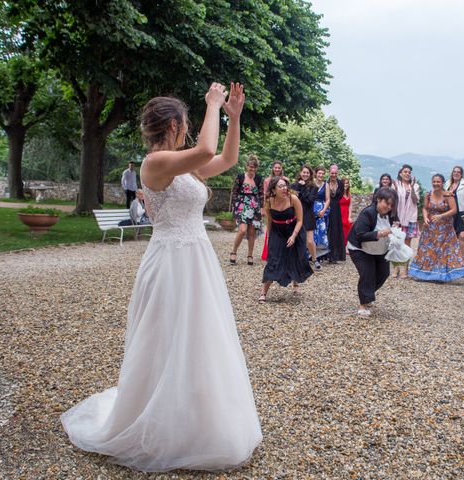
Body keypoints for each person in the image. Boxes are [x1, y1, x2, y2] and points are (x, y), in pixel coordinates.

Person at [61, 83, 262, 472]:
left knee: (199, 338)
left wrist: (233, 117)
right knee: (167, 338)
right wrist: (213, 105)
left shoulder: (180, 162)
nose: (188, 128)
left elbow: (224, 158)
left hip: (196, 260)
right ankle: (159, 421)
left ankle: (198, 420)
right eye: (185, 123)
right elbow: (205, 149)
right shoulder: (154, 163)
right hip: (170, 261)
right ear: (173, 124)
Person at [259, 176, 313, 302]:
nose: (284, 189)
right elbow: (270, 221)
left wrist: (293, 236)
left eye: (285, 186)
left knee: (294, 257)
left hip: (294, 229)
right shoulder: (269, 201)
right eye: (281, 186)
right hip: (277, 231)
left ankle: (295, 283)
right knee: (273, 260)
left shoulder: (293, 198)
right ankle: (263, 292)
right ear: (273, 189)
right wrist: (268, 238)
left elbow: (300, 220)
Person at [347, 187, 398, 317]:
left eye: (391, 205)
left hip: (379, 249)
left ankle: (367, 293)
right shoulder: (368, 213)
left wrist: (396, 229)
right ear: (379, 199)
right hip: (360, 248)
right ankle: (363, 305)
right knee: (368, 273)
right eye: (386, 203)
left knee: (383, 273)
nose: (389, 207)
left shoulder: (391, 214)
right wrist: (380, 233)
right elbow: (360, 235)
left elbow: (395, 227)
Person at [409, 174, 464, 282]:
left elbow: (454, 210)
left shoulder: (447, 195)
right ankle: (426, 273)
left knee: (443, 251)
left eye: (438, 182)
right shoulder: (428, 194)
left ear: (442, 183)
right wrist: (426, 217)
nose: (436, 184)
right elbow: (425, 208)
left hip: (445, 228)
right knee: (428, 250)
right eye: (434, 181)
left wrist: (441, 215)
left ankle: (441, 275)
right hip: (430, 228)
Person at [230, 154, 264, 265]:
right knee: (243, 229)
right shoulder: (240, 177)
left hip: (254, 206)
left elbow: (261, 194)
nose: (252, 169)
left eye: (254, 167)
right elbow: (234, 192)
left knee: (251, 231)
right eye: (250, 167)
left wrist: (262, 208)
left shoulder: (258, 179)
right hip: (241, 205)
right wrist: (233, 206)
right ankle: (234, 251)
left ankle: (250, 254)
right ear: (247, 166)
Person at [392, 164, 420, 278]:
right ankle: (396, 268)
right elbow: (393, 200)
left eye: (409, 172)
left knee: (407, 245)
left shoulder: (415, 186)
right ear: (400, 173)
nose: (407, 174)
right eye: (405, 172)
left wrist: (412, 188)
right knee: (397, 244)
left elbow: (416, 200)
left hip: (410, 218)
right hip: (398, 218)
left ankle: (405, 269)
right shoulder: (396, 185)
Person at [291, 165, 320, 270]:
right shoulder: (294, 186)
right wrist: (299, 187)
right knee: (296, 238)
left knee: (309, 241)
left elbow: (309, 200)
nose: (305, 174)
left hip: (308, 215)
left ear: (310, 174)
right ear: (300, 173)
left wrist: (302, 188)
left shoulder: (314, 187)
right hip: (295, 215)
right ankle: (296, 260)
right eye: (304, 172)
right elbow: (293, 198)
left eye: (307, 173)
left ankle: (314, 259)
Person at [261, 161, 288, 261]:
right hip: (271, 206)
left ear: (281, 169)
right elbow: (265, 195)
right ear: (272, 168)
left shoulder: (285, 180)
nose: (277, 169)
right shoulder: (267, 180)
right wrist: (264, 208)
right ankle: (270, 252)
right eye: (275, 167)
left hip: (283, 207)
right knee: (270, 226)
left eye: (279, 168)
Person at [326, 165, 346, 262]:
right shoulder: (325, 183)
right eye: (332, 173)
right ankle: (326, 255)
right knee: (327, 230)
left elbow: (341, 195)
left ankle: (336, 255)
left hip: (336, 209)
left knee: (336, 231)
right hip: (327, 208)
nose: (333, 175)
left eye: (335, 173)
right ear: (329, 172)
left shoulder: (340, 183)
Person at [313, 166, 331, 263]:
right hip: (311, 209)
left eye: (323, 174)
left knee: (321, 232)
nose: (321, 175)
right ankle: (310, 254)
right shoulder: (311, 183)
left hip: (321, 210)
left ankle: (319, 256)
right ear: (316, 173)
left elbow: (328, 199)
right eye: (319, 173)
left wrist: (324, 210)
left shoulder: (326, 185)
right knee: (312, 233)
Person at [340, 176, 354, 243]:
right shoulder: (339, 193)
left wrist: (349, 216)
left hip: (346, 214)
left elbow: (350, 205)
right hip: (340, 214)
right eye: (344, 183)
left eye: (347, 183)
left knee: (348, 231)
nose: (345, 185)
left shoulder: (349, 193)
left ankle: (346, 248)